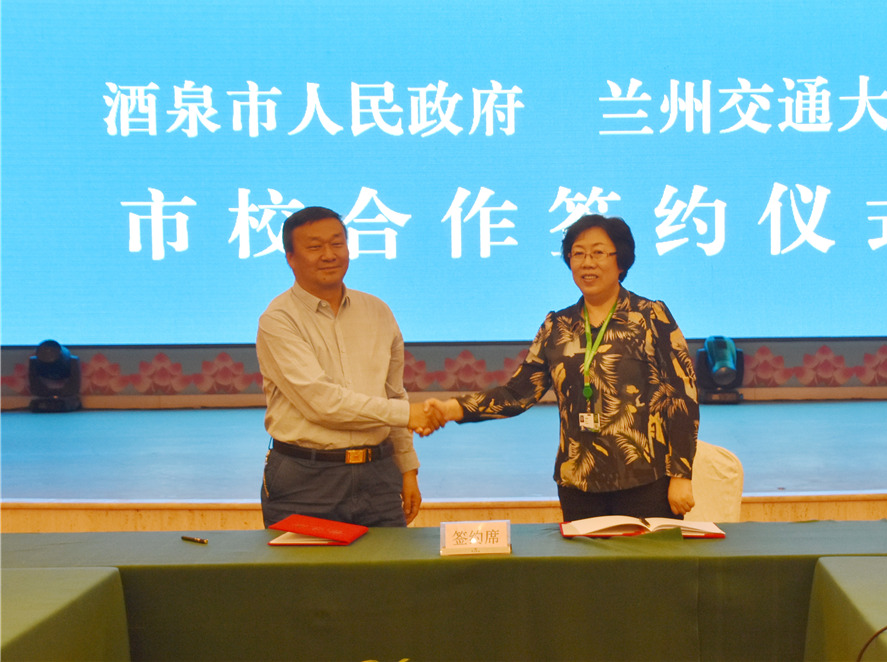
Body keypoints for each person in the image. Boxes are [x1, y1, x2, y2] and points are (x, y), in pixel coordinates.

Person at [426, 214, 699, 521]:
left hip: (646, 482)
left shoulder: (650, 317)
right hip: (578, 484)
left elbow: (682, 398)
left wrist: (681, 474)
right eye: (578, 253)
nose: (587, 263)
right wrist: (452, 409)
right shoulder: (557, 326)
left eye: (598, 253)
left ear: (620, 261)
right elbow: (517, 394)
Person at [256, 206, 440, 528]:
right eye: (315, 247)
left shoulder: (378, 311)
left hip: (379, 476)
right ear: (290, 258)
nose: (329, 255)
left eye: (337, 243)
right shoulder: (278, 320)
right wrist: (408, 415)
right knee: (303, 564)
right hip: (307, 480)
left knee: (388, 562)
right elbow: (322, 403)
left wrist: (408, 469)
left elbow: (393, 394)